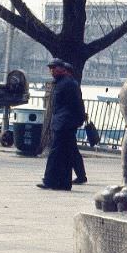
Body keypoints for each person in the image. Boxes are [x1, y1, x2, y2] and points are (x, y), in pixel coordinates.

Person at [38, 59, 86, 191]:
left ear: (63, 69)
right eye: (51, 68)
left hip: (65, 123)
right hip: (63, 122)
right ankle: (63, 183)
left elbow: (77, 103)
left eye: (54, 68)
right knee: (66, 153)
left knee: (56, 153)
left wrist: (78, 119)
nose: (52, 70)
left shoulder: (68, 84)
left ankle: (49, 180)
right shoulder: (62, 83)